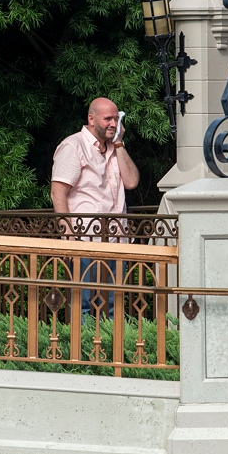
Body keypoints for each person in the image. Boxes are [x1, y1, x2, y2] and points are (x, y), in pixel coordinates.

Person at [51, 98, 140, 316]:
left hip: (116, 240)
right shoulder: (73, 145)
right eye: (108, 118)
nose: (113, 123)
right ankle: (81, 350)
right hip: (84, 240)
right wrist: (69, 236)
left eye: (116, 119)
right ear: (91, 119)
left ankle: (110, 349)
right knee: (82, 306)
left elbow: (131, 182)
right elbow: (58, 193)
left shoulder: (115, 148)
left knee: (112, 307)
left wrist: (119, 144)